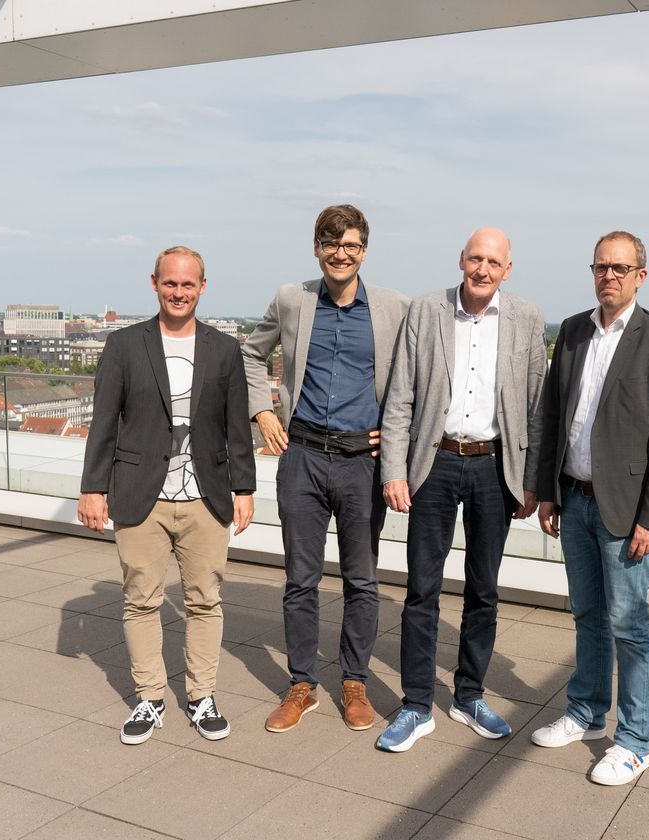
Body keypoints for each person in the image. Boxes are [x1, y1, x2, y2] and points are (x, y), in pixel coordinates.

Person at [375, 228, 546, 752]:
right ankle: (416, 704)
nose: (483, 269)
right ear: (461, 260)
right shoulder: (426, 310)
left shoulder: (527, 319)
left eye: (493, 262)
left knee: (484, 589)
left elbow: (537, 407)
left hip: (494, 468)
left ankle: (469, 695)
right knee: (422, 587)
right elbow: (400, 396)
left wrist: (532, 481)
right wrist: (394, 470)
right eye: (476, 259)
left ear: (508, 269)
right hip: (435, 463)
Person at [241, 205, 410, 733]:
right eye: (331, 243)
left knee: (361, 580)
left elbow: (415, 376)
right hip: (304, 457)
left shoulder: (394, 307)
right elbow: (250, 354)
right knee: (300, 579)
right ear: (317, 248)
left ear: (364, 251)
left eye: (351, 245)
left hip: (364, 462)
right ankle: (302, 686)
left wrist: (397, 439)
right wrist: (263, 411)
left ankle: (354, 683)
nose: (341, 253)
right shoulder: (292, 299)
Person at [531, 231, 649, 784]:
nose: (609, 276)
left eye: (621, 268)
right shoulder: (575, 331)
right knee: (587, 614)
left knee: (629, 623)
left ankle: (635, 741)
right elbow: (554, 415)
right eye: (601, 266)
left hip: (627, 512)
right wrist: (547, 491)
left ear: (640, 276)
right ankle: (586, 712)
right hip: (574, 499)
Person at [78, 245, 255, 745]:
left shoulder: (225, 349)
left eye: (188, 284)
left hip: (206, 496)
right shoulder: (123, 345)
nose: (179, 292)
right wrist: (93, 487)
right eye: (170, 283)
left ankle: (201, 696)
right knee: (140, 601)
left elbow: (236, 427)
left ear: (203, 287)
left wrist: (244, 488)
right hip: (140, 494)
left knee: (205, 602)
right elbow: (104, 421)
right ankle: (150, 697)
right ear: (154, 283)